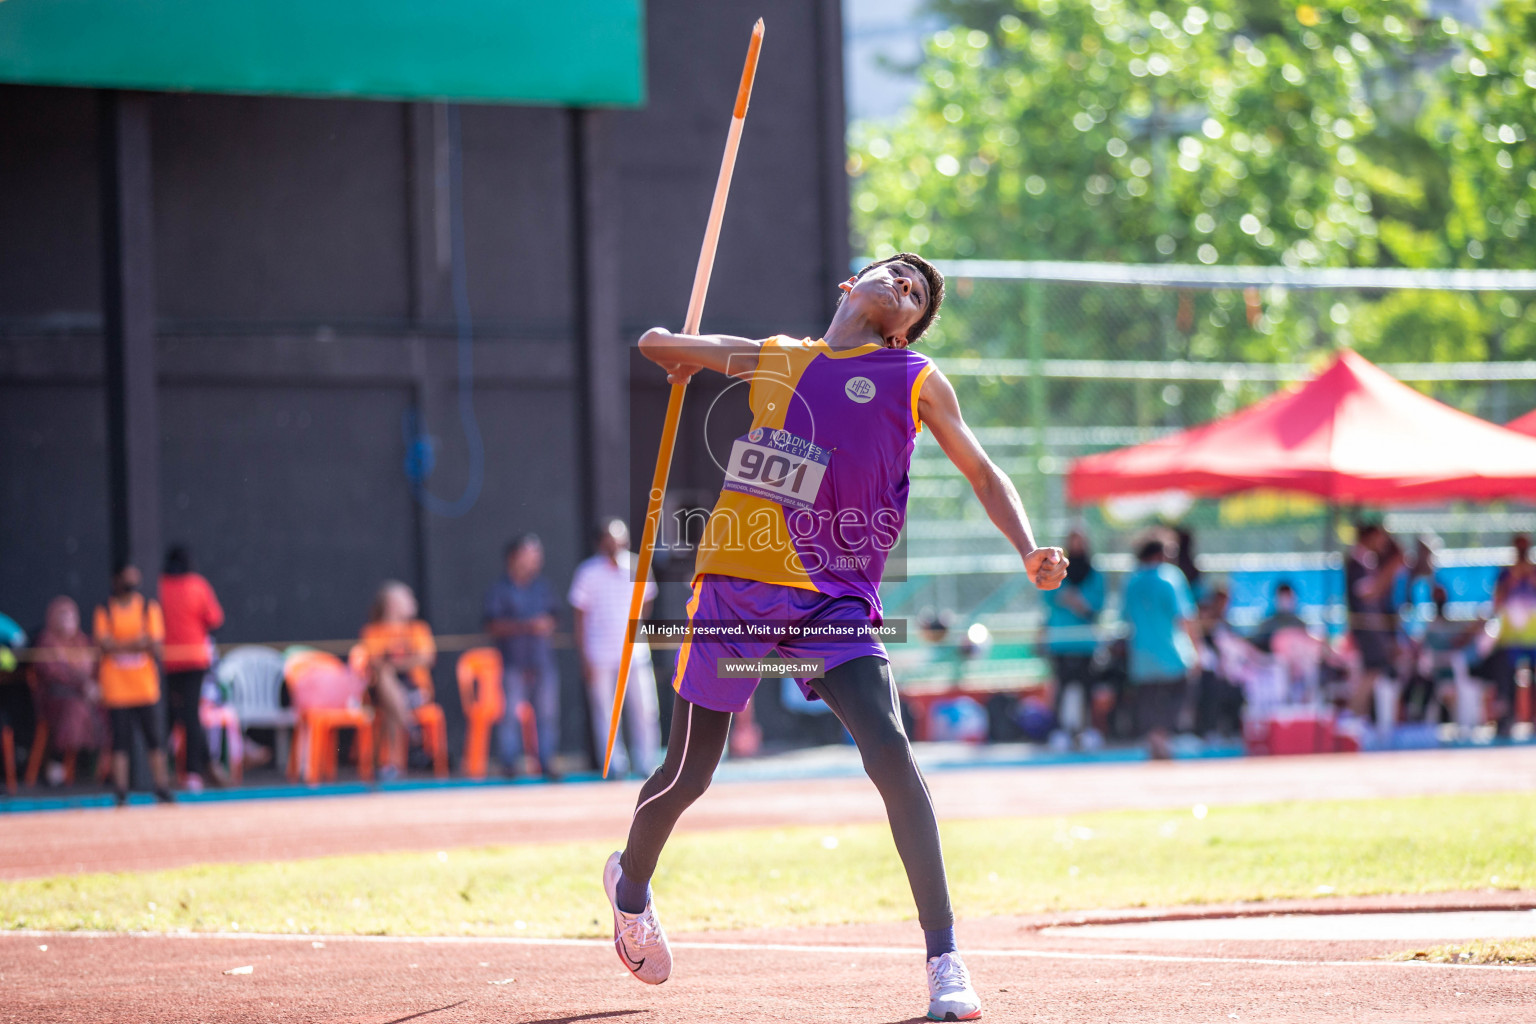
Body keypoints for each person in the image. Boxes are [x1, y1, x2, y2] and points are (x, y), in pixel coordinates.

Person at [604, 252, 1067, 1021]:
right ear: (855, 284)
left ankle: (945, 959)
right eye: (897, 273)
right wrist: (677, 356)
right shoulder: (782, 358)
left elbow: (984, 472)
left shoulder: (914, 377)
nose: (907, 287)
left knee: (889, 749)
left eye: (918, 294)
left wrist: (1027, 549)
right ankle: (629, 888)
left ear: (909, 326)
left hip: (836, 601)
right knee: (688, 777)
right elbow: (657, 343)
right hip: (734, 593)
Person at [570, 518, 660, 779]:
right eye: (610, 539)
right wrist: (584, 656)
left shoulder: (638, 566)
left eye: (620, 538)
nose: (616, 544)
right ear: (600, 542)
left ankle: (648, 764)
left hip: (636, 653)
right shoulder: (587, 573)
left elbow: (647, 603)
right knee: (606, 713)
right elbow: (579, 616)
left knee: (646, 709)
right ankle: (615, 766)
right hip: (600, 655)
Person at [94, 564, 174, 805]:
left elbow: (155, 644)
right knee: (120, 740)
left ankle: (161, 786)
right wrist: (136, 642)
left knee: (154, 739)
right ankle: (121, 791)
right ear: (116, 578)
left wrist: (121, 643)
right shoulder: (105, 609)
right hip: (117, 689)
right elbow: (104, 644)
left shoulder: (148, 607)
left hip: (144, 687)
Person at [484, 534, 562, 780]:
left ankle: (546, 762)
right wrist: (528, 626)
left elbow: (554, 616)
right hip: (512, 661)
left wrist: (546, 624)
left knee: (547, 714)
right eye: (530, 555)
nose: (535, 561)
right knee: (509, 715)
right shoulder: (500, 589)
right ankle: (509, 764)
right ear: (514, 558)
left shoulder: (542, 587)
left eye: (537, 555)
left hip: (541, 660)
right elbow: (493, 624)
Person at [1121, 531, 1199, 759]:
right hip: (1172, 653)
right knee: (1178, 692)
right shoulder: (1170, 577)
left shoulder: (1131, 580)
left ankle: (1153, 739)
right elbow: (1184, 616)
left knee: (1147, 698)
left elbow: (1124, 616)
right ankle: (1162, 737)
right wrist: (1196, 648)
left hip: (1141, 654)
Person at [158, 545, 227, 790]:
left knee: (172, 715)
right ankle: (194, 772)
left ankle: (166, 771)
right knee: (188, 715)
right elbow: (215, 618)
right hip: (195, 659)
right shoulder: (198, 585)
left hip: (167, 660)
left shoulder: (160, 586)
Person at [358, 581, 436, 780]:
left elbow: (427, 658)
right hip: (382, 694)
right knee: (386, 683)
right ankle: (412, 732)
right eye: (407, 597)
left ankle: (393, 765)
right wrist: (406, 663)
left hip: (415, 693)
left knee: (391, 701)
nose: (413, 602)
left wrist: (394, 665)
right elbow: (374, 664)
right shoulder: (374, 632)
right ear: (392, 604)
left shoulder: (418, 629)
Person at [1040, 529, 1104, 748]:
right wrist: (1072, 600)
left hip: (1085, 643)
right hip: (1060, 642)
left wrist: (1076, 601)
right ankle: (1059, 731)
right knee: (1061, 688)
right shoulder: (1057, 572)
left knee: (1087, 689)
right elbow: (1050, 596)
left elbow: (1095, 605)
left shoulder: (1094, 574)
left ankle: (1085, 731)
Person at [30, 596, 105, 782]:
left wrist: (93, 687)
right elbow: (53, 673)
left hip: (84, 698)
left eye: (72, 616)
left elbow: (94, 669)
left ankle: (95, 770)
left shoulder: (82, 641)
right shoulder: (47, 641)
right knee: (75, 711)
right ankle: (57, 768)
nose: (68, 621)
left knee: (106, 712)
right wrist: (81, 685)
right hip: (55, 699)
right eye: (63, 617)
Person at [1345, 523, 1404, 719]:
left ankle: (1358, 716)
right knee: (1371, 672)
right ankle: (1353, 715)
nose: (1382, 543)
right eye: (1379, 538)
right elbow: (1368, 593)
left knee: (1374, 674)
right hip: (1365, 629)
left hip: (1374, 628)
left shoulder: (1368, 562)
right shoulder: (1355, 563)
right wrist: (1391, 568)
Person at [1491, 533, 1536, 734]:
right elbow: (1497, 601)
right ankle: (1506, 721)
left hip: (1533, 637)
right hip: (1510, 638)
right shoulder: (1506, 573)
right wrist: (1513, 579)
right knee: (1506, 682)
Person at [1249, 581, 1307, 653]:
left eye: (1288, 598)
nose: (1286, 602)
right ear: (1276, 599)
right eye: (1283, 598)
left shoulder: (1300, 625)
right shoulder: (1268, 625)